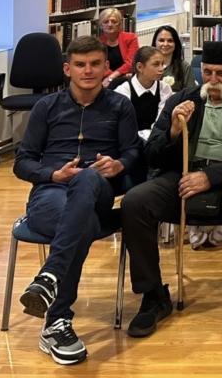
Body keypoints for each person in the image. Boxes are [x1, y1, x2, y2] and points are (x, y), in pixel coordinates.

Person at [122, 41, 222, 340]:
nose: (213, 80)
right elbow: (152, 154)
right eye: (207, 72)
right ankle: (153, 295)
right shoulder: (182, 100)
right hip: (183, 174)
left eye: (221, 74)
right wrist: (173, 132)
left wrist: (210, 176)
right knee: (135, 202)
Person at [12, 36, 140, 365]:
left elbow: (133, 151)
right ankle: (56, 322)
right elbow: (22, 162)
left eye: (95, 64)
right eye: (80, 65)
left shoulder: (120, 106)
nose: (88, 71)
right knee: (82, 226)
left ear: (106, 67)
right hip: (50, 193)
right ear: (67, 69)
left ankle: (50, 279)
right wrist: (53, 174)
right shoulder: (46, 107)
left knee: (88, 177)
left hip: (97, 191)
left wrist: (119, 164)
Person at [112, 46, 173, 133]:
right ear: (140, 67)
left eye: (162, 64)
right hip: (131, 137)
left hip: (156, 137)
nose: (161, 69)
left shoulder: (164, 88)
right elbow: (124, 126)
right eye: (156, 64)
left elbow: (161, 123)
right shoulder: (123, 91)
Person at [98, 7, 139, 87]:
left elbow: (131, 63)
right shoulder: (97, 43)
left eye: (114, 21)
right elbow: (100, 66)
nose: (110, 24)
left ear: (120, 23)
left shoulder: (131, 38)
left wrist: (112, 77)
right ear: (101, 25)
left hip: (127, 80)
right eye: (106, 22)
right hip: (107, 80)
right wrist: (113, 77)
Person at [153, 25, 195, 90]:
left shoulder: (185, 67)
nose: (165, 44)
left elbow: (190, 93)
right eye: (161, 40)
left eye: (170, 41)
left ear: (176, 43)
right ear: (155, 42)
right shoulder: (147, 65)